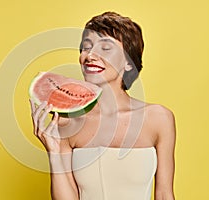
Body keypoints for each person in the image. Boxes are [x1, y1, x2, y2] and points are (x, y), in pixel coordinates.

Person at [30, 11, 176, 200]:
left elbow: (164, 194)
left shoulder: (159, 118)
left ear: (129, 63)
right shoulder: (66, 122)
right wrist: (54, 153)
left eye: (105, 48)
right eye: (86, 47)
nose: (90, 55)